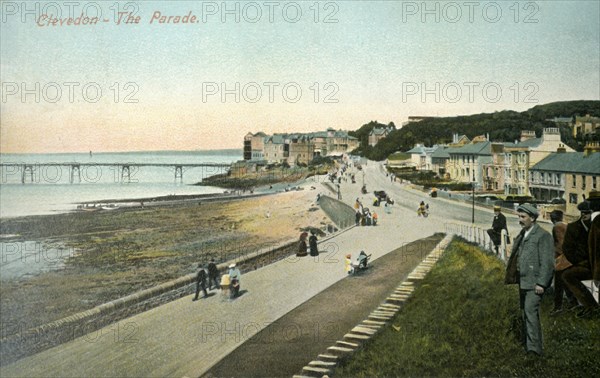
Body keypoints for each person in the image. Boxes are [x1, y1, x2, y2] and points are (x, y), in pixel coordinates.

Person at [504, 203, 554, 356]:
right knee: (526, 313)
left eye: (523, 217)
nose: (520, 219)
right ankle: (530, 344)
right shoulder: (523, 233)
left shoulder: (543, 236)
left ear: (532, 218)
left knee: (530, 312)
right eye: (519, 216)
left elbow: (547, 262)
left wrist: (542, 283)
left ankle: (534, 350)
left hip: (535, 283)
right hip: (523, 281)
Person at [561, 201, 599, 318]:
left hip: (596, 264)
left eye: (588, 213)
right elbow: (567, 249)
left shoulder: (596, 226)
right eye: (583, 213)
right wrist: (579, 262)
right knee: (567, 275)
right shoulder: (573, 227)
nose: (585, 215)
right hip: (583, 264)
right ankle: (590, 305)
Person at [549, 210, 577, 315]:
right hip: (568, 259)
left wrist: (556, 257)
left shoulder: (557, 227)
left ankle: (558, 308)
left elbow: (561, 244)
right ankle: (574, 303)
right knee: (565, 283)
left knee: (558, 285)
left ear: (553, 218)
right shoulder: (566, 225)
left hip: (561, 260)